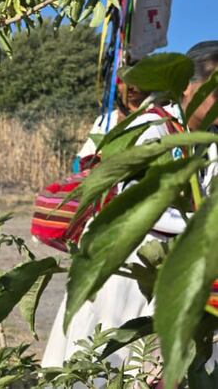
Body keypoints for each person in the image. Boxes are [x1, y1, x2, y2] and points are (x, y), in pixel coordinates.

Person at [42, 41, 218, 372]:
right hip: (131, 266)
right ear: (185, 86)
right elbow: (135, 200)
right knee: (111, 355)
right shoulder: (151, 127)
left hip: (175, 267)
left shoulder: (209, 140)